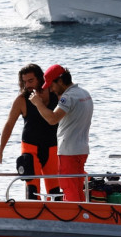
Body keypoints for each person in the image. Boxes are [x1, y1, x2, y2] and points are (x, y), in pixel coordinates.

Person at [0, 63, 60, 200]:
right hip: (30, 149)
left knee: (55, 192)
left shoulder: (54, 95)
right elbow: (9, 125)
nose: (27, 85)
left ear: (40, 79)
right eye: (24, 82)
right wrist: (0, 150)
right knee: (32, 192)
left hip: (52, 148)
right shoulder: (21, 100)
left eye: (31, 81)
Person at [30, 64, 93, 202]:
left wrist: (38, 103)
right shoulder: (84, 93)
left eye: (51, 85)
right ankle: (81, 217)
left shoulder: (68, 97)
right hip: (82, 149)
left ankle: (73, 220)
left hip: (68, 151)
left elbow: (52, 119)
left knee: (69, 188)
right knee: (76, 187)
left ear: (60, 81)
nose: (51, 90)